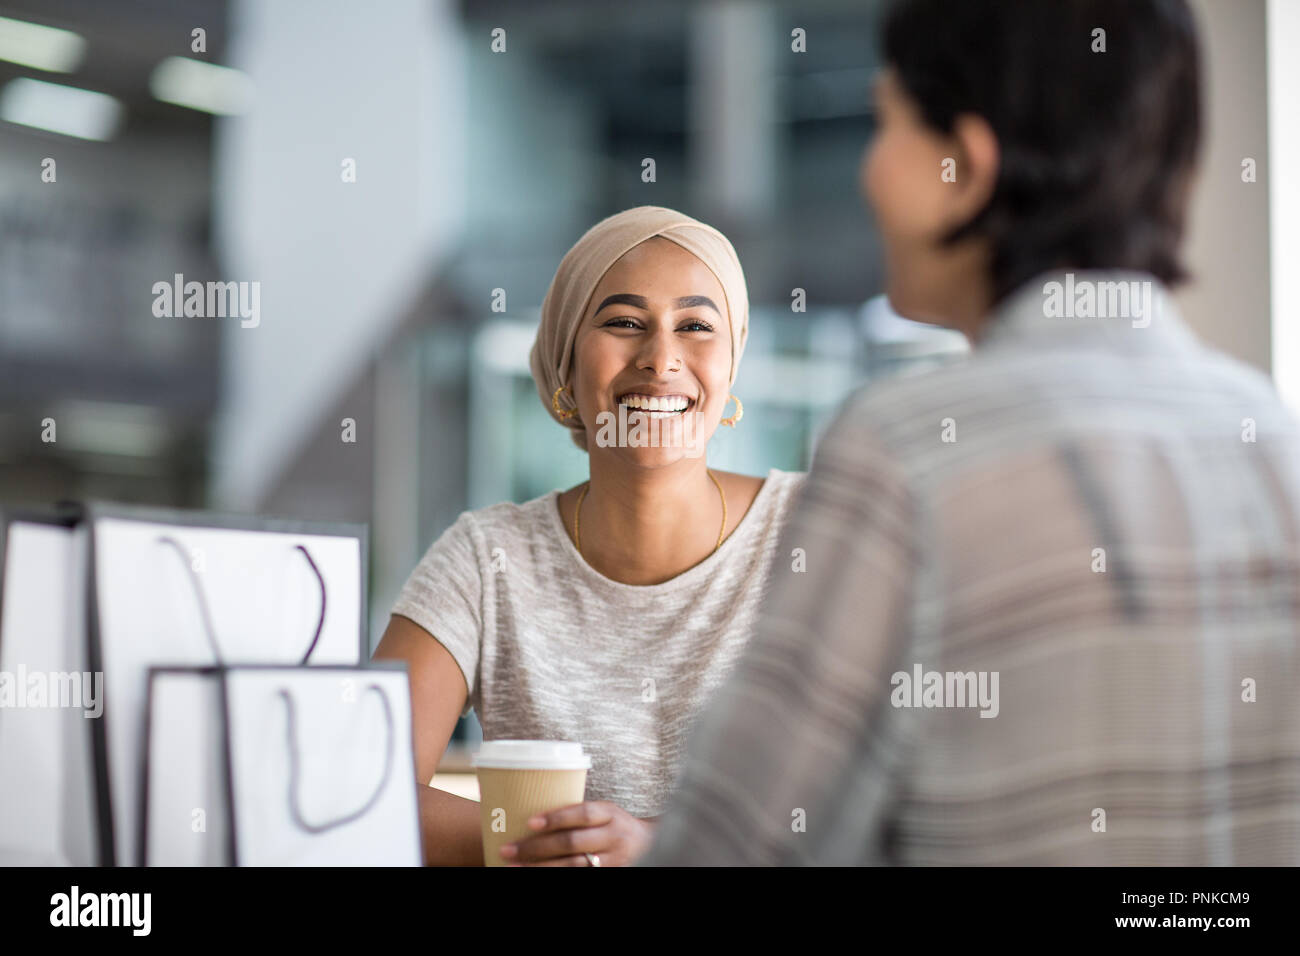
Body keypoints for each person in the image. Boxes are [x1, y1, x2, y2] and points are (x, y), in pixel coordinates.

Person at [640, 0, 1300, 865]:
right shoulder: (1274, 439)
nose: (868, 170)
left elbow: (735, 848)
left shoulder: (908, 454)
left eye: (887, 124)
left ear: (968, 167)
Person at [373, 205, 807, 865]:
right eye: (624, 323)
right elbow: (360, 785)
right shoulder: (486, 560)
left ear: (731, 366)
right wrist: (569, 850)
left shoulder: (819, 531)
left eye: (695, 326)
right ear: (566, 368)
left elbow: (896, 787)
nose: (662, 359)